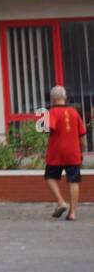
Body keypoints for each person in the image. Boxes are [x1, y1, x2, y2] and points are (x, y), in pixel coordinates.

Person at [42, 85, 85, 221]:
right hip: (73, 152)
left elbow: (45, 130)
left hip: (56, 153)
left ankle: (61, 202)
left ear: (53, 98)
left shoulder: (51, 112)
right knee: (74, 181)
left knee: (49, 177)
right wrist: (81, 151)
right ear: (64, 97)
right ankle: (72, 214)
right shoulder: (74, 112)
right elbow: (82, 135)